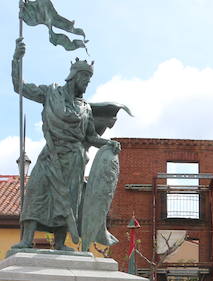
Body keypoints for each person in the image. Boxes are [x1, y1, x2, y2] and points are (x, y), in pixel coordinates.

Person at [8, 38, 127, 252]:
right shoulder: (51, 93)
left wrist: (108, 143)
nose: (87, 84)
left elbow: (90, 137)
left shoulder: (86, 109)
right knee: (36, 192)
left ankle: (61, 243)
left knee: (69, 200)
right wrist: (17, 58)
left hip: (74, 159)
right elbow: (20, 87)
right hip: (51, 155)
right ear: (76, 77)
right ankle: (26, 239)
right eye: (86, 80)